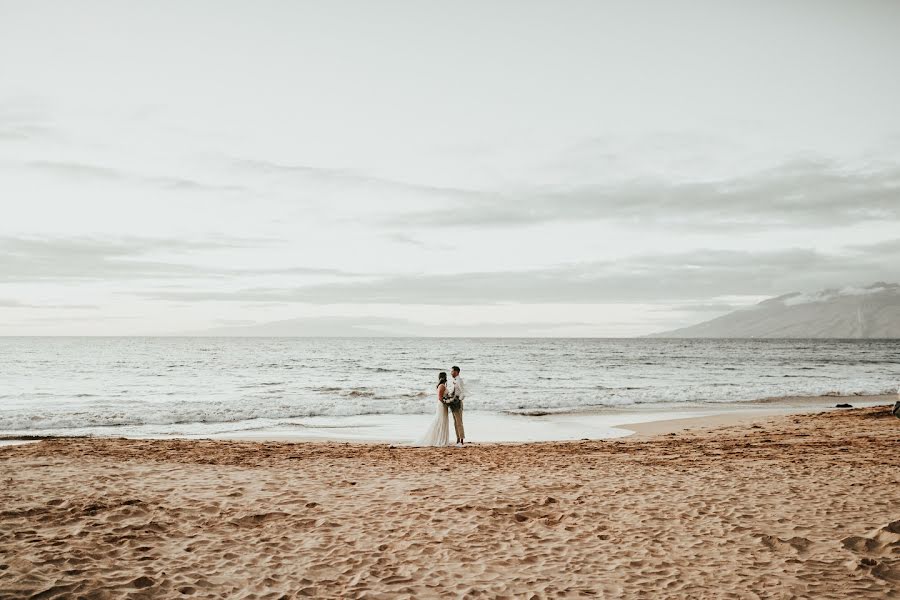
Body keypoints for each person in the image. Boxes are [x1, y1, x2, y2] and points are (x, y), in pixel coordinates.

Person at [414, 372, 451, 446]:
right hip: (442, 405)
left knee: (443, 420)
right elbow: (440, 398)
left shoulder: (442, 385)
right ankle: (439, 439)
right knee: (440, 420)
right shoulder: (442, 386)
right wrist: (447, 402)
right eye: (446, 376)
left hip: (443, 405)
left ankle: (441, 438)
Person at [445, 366, 466, 446]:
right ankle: (457, 439)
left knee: (459, 422)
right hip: (454, 403)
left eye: (452, 371)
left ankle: (461, 440)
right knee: (455, 422)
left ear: (456, 372)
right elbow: (454, 391)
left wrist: (459, 400)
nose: (451, 373)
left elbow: (463, 392)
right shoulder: (454, 381)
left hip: (458, 403)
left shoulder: (459, 381)